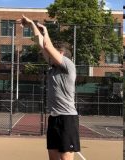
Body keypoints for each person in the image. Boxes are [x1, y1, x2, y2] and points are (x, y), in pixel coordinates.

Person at [17, 15, 80, 160]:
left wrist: (45, 31)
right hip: (54, 118)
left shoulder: (69, 65)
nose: (49, 55)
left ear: (62, 54)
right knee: (52, 157)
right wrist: (32, 25)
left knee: (65, 158)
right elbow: (41, 44)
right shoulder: (53, 68)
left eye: (55, 52)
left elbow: (47, 45)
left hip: (67, 118)